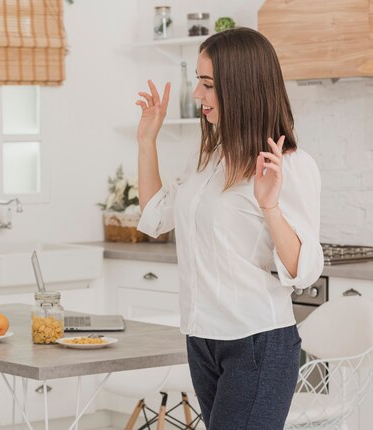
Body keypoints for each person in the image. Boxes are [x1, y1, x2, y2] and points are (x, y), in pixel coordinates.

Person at [135, 27, 324, 429]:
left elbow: (304, 271)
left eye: (207, 84)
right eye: (198, 83)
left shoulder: (288, 164)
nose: (197, 95)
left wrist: (269, 205)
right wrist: (147, 142)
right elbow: (155, 218)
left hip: (256, 341)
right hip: (202, 338)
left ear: (240, 87)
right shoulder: (207, 157)